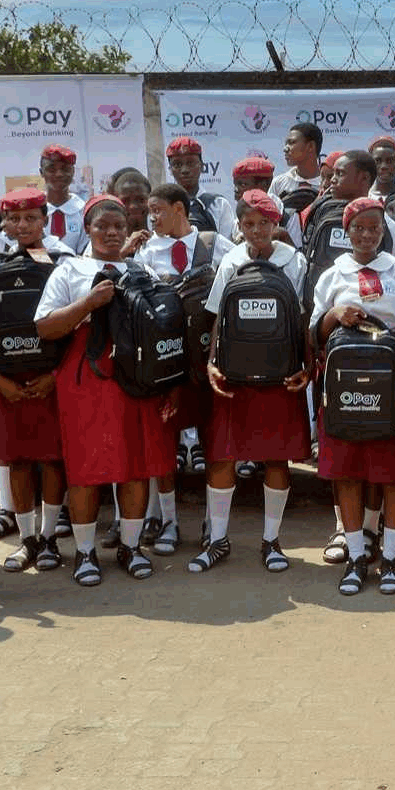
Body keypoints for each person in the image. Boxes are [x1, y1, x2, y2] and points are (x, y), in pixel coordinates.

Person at [33, 195, 169, 586]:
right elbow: (44, 326)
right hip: (85, 378)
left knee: (134, 465)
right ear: (87, 230)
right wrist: (89, 303)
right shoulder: (69, 270)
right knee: (86, 469)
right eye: (102, 226)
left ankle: (130, 546)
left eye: (119, 226)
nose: (111, 232)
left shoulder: (142, 270)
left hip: (135, 379)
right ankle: (86, 551)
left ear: (128, 231)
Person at [191, 189, 312, 574]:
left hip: (280, 375)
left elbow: (305, 321)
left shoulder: (295, 261)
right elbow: (215, 319)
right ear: (239, 225)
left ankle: (272, 541)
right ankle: (218, 539)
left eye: (265, 223)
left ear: (276, 224)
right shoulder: (231, 259)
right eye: (248, 224)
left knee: (275, 457)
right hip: (234, 376)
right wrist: (211, 364)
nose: (257, 231)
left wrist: (306, 367)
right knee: (223, 457)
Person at [309, 198, 395, 595]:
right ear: (347, 230)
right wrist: (336, 316)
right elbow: (315, 335)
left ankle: (389, 559)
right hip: (342, 393)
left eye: (374, 228)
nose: (367, 235)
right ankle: (356, 557)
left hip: (388, 390)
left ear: (384, 232)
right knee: (349, 476)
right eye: (359, 228)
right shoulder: (332, 275)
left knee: (391, 478)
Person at [136, 183, 234, 553]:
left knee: (214, 444)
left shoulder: (215, 245)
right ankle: (169, 521)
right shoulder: (145, 253)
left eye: (158, 210)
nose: (153, 218)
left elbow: (230, 296)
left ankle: (214, 522)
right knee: (163, 446)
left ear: (179, 208)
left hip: (207, 363)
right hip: (166, 363)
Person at [0, 188, 70, 573]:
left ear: (44, 220)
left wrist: (55, 376)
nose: (22, 226)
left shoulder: (64, 262)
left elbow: (73, 327)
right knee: (16, 460)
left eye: (31, 217)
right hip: (9, 381)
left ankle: (49, 538)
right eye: (13, 219)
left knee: (51, 461)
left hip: (50, 379)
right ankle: (27, 540)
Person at [167, 136, 237, 240]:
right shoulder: (164, 206)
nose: (184, 170)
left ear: (202, 166)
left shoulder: (219, 205)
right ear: (170, 170)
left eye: (190, 163)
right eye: (177, 164)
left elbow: (226, 249)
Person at [40, 144, 87, 254]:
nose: (59, 174)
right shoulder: (33, 210)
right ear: (41, 172)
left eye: (65, 169)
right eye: (51, 169)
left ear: (73, 172)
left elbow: (86, 253)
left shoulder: (84, 211)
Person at [271, 122, 323, 202]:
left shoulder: (330, 185)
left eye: (292, 143)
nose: (285, 149)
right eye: (286, 144)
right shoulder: (278, 184)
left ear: (310, 146)